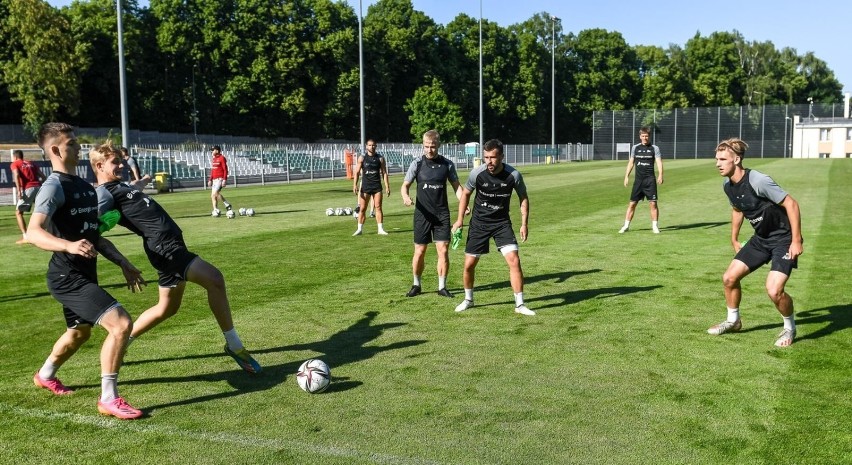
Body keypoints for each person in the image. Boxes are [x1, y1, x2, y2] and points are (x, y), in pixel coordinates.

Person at [90, 141, 262, 373]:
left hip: (169, 245)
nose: (121, 165)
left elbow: (134, 187)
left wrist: (143, 181)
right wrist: (100, 231)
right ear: (99, 166)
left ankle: (123, 342)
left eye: (120, 161)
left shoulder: (118, 186)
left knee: (167, 308)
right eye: (115, 162)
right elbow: (93, 226)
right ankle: (234, 345)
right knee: (215, 279)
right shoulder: (103, 193)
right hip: (165, 248)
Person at [27, 123, 146, 419]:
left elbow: (95, 236)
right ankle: (109, 398)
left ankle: (45, 374)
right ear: (56, 150)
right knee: (120, 324)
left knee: (79, 333)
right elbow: (33, 232)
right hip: (67, 277)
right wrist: (67, 245)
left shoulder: (83, 187)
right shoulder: (53, 186)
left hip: (83, 273)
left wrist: (123, 263)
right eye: (72, 143)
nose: (78, 147)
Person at [708, 138, 803, 347]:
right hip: (761, 240)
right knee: (729, 278)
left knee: (773, 290)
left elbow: (791, 204)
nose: (718, 163)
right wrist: (733, 238)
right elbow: (737, 209)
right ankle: (733, 321)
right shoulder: (728, 185)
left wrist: (796, 240)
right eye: (717, 159)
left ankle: (789, 328)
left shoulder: (758, 180)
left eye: (723, 159)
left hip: (783, 240)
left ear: (737, 159)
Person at [451, 139, 534, 316]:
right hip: (479, 223)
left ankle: (519, 305)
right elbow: (465, 193)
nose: (488, 161)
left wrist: (524, 224)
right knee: (469, 265)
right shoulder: (477, 174)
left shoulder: (514, 176)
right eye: (486, 157)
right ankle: (468, 300)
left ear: (502, 157)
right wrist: (459, 220)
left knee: (514, 260)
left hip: (501, 224)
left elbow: (523, 198)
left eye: (493, 157)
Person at [400, 130, 461, 298]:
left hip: (442, 214)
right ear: (423, 145)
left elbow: (457, 187)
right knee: (420, 250)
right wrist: (405, 197)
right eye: (426, 147)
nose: (429, 150)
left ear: (438, 146)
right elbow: (405, 186)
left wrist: (463, 204)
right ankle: (416, 284)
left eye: (432, 147)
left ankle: (442, 286)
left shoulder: (447, 165)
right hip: (422, 214)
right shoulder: (417, 164)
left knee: (443, 250)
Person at [619, 126, 664, 234]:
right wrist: (626, 176)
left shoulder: (654, 148)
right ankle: (626, 226)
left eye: (646, 136)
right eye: (643, 136)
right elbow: (631, 162)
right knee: (632, 204)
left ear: (649, 136)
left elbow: (659, 162)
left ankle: (655, 226)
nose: (645, 138)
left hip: (650, 180)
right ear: (640, 136)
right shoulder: (635, 148)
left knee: (653, 203)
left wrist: (661, 175)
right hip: (638, 181)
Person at [352, 139, 390, 236]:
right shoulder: (362, 158)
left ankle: (380, 229)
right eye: (369, 145)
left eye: (373, 145)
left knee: (378, 207)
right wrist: (355, 185)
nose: (371, 147)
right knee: (362, 209)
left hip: (377, 186)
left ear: (376, 146)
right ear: (366, 146)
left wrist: (387, 186)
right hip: (365, 187)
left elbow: (384, 173)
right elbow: (356, 172)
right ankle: (359, 229)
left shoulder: (380, 158)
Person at [11, 149, 46, 244]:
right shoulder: (31, 163)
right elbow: (43, 176)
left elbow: (17, 175)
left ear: (15, 157)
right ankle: (49, 233)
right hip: (39, 187)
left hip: (29, 188)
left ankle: (26, 237)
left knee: (18, 212)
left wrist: (19, 190)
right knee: (43, 211)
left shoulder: (15, 164)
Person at [208, 145, 232, 215]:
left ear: (217, 151)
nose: (212, 151)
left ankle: (227, 204)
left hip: (220, 179)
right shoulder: (214, 159)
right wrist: (210, 179)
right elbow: (213, 170)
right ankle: (215, 210)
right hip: (215, 179)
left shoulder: (222, 158)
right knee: (212, 196)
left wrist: (224, 179)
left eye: (213, 150)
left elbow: (225, 169)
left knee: (216, 193)